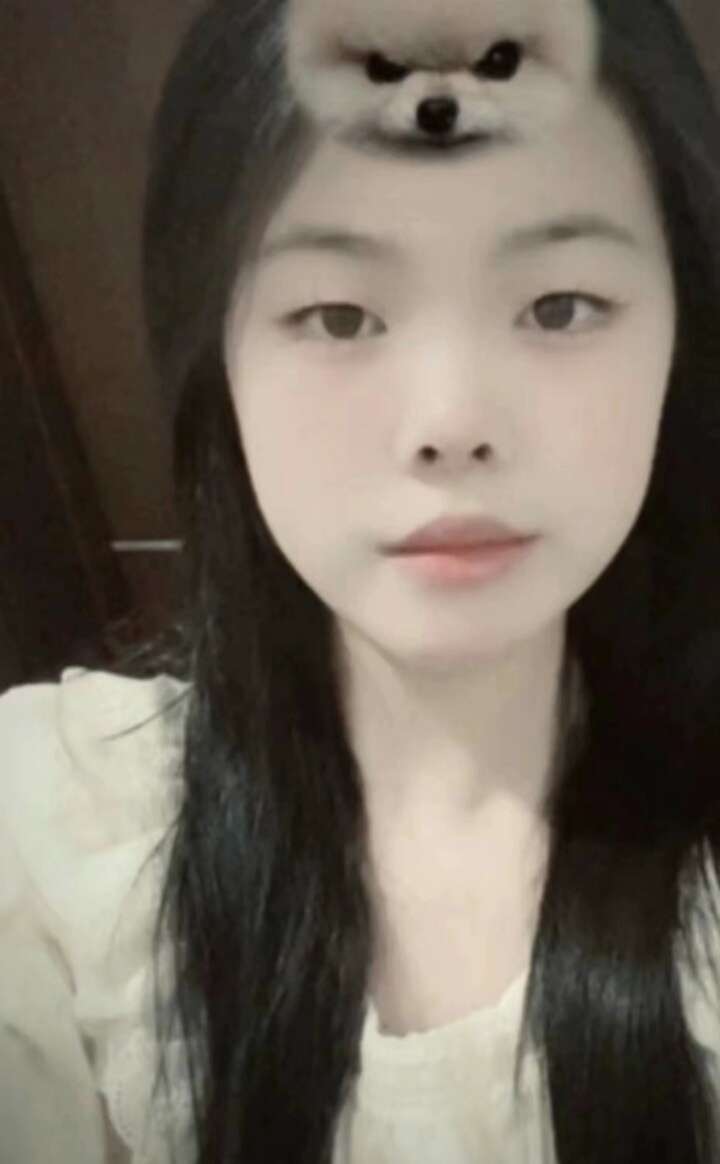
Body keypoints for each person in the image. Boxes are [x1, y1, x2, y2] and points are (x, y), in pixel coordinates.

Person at [2, 0, 720, 1160]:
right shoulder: (53, 840)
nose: (450, 421)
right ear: (215, 360)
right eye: (338, 315)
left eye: (559, 305)